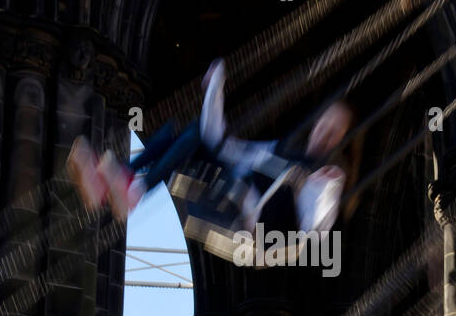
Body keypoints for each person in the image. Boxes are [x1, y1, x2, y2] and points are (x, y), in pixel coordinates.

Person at [67, 58, 356, 244]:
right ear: (317, 122)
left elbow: (315, 228)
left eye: (334, 130)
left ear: (341, 137)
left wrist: (314, 187)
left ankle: (133, 188)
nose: (325, 133)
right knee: (185, 131)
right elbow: (220, 140)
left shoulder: (324, 175)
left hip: (251, 207)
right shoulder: (281, 148)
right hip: (233, 180)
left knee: (197, 137)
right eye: (324, 124)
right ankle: (121, 183)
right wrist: (216, 87)